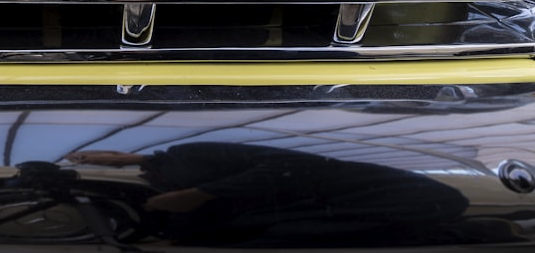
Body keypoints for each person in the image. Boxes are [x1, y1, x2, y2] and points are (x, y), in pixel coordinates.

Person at [67, 142, 469, 245]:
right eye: (85, 159)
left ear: (114, 154)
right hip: (330, 204)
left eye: (90, 155)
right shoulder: (159, 170)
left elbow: (289, 165)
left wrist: (202, 193)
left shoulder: (186, 153)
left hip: (393, 196)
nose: (91, 159)